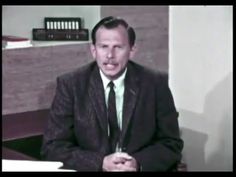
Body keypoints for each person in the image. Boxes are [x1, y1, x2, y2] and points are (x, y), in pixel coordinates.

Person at [41, 16, 184, 171]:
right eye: (103, 46)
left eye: (118, 47)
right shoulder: (71, 85)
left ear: (132, 50)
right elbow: (53, 147)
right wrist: (100, 163)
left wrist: (138, 163)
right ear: (93, 50)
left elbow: (171, 143)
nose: (110, 55)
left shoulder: (155, 83)